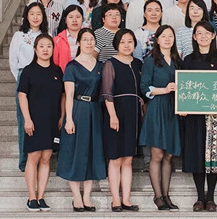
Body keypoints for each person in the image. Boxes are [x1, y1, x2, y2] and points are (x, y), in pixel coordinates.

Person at [181, 21, 217, 212]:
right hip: (194, 116)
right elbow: (183, 86)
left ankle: (210, 198)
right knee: (197, 154)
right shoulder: (188, 59)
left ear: (213, 36)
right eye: (199, 33)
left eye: (207, 33)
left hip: (215, 116)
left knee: (213, 155)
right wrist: (182, 105)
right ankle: (199, 198)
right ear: (194, 37)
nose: (203, 36)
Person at [57, 28, 107, 212]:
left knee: (93, 151)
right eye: (85, 39)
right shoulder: (72, 66)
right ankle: (76, 196)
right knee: (74, 151)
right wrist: (69, 119)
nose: (89, 43)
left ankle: (87, 196)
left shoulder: (100, 66)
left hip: (95, 110)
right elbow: (69, 95)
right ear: (78, 43)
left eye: (91, 39)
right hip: (78, 109)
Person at [18, 34, 64, 212]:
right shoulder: (28, 71)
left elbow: (62, 95)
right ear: (35, 49)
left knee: (46, 158)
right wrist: (27, 119)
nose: (45, 49)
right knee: (34, 157)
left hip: (52, 120)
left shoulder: (57, 71)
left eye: (49, 46)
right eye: (42, 46)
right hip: (34, 120)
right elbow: (22, 95)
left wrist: (62, 116)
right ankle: (31, 197)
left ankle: (41, 197)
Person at [139, 25, 182, 210]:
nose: (167, 39)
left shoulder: (178, 61)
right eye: (163, 36)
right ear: (157, 39)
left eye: (170, 36)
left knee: (169, 154)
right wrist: (164, 90)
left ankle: (166, 195)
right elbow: (144, 87)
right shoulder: (150, 61)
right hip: (157, 107)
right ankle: (157, 196)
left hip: (174, 108)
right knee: (157, 154)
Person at [101, 29, 143, 212]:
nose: (127, 45)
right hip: (116, 113)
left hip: (133, 114)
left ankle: (126, 199)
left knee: (128, 159)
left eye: (130, 42)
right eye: (123, 42)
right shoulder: (110, 64)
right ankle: (115, 199)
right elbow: (107, 92)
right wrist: (112, 115)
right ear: (116, 44)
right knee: (115, 158)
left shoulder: (138, 63)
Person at [9, 2, 48, 172]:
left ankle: (40, 159)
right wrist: (22, 79)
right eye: (32, 13)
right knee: (24, 120)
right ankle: (24, 161)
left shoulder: (47, 36)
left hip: (44, 80)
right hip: (24, 77)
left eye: (39, 14)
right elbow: (13, 61)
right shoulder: (19, 36)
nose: (35, 17)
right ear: (26, 16)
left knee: (42, 120)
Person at [53, 5, 84, 72]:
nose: (74, 20)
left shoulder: (89, 38)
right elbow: (55, 63)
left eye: (78, 17)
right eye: (71, 17)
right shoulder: (57, 40)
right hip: (64, 76)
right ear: (65, 20)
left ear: (82, 19)